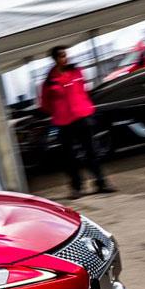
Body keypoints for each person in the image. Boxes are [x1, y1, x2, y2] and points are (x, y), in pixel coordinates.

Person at [40, 45, 115, 198]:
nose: (65, 58)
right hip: (64, 122)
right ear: (55, 59)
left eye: (65, 55)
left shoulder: (77, 71)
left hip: (82, 117)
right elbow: (45, 104)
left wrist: (84, 107)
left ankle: (101, 183)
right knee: (69, 157)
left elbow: (84, 90)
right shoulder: (49, 82)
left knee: (91, 152)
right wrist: (58, 112)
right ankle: (76, 188)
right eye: (61, 56)